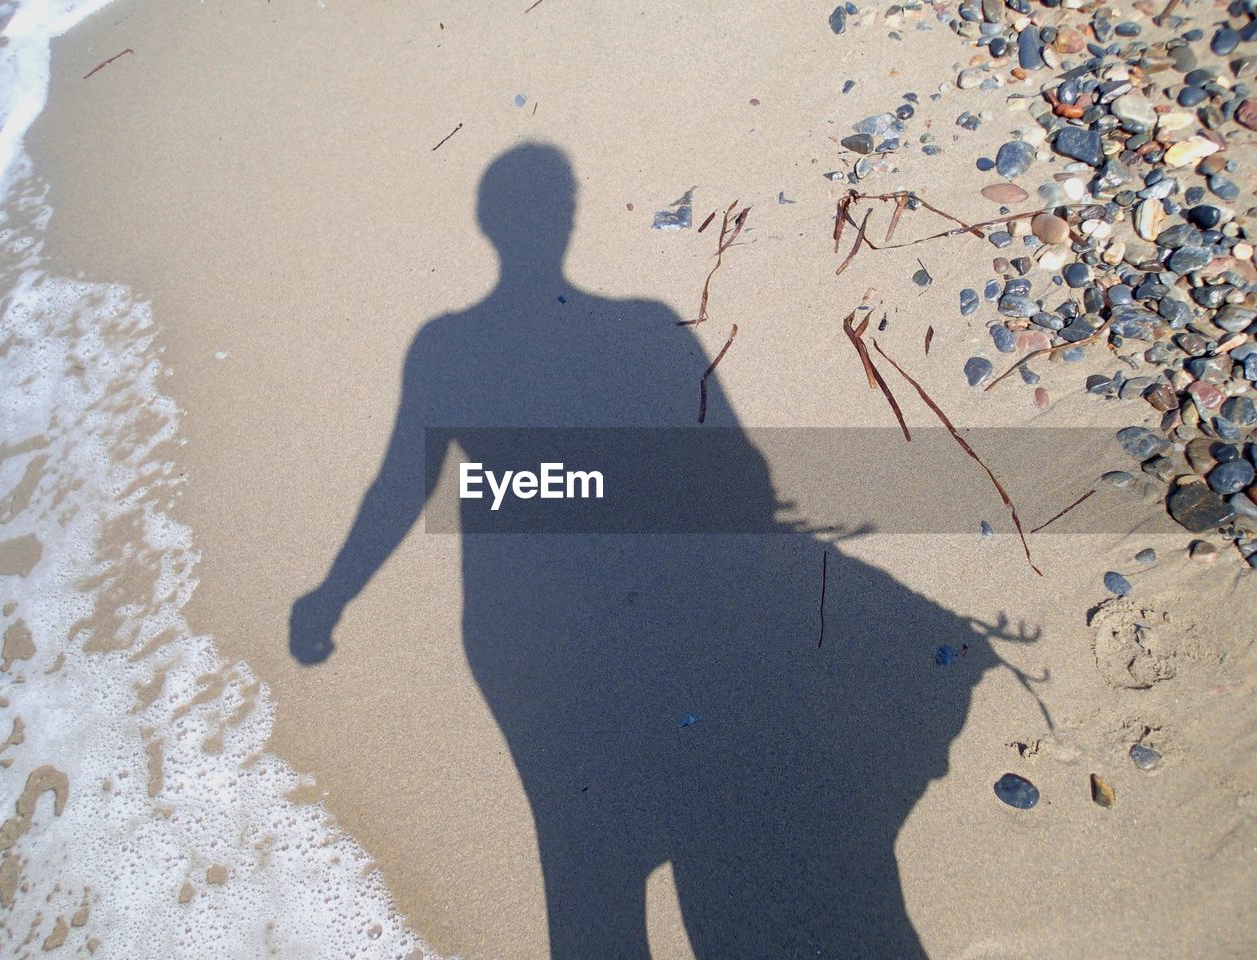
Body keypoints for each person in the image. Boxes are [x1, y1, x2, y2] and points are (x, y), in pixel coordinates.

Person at [291, 143, 1028, 958]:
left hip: (515, 630)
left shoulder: (446, 344)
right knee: (697, 825)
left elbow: (404, 484)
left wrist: (333, 594)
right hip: (650, 618)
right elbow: (737, 483)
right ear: (568, 218)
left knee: (580, 858)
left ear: (488, 226)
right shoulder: (643, 326)